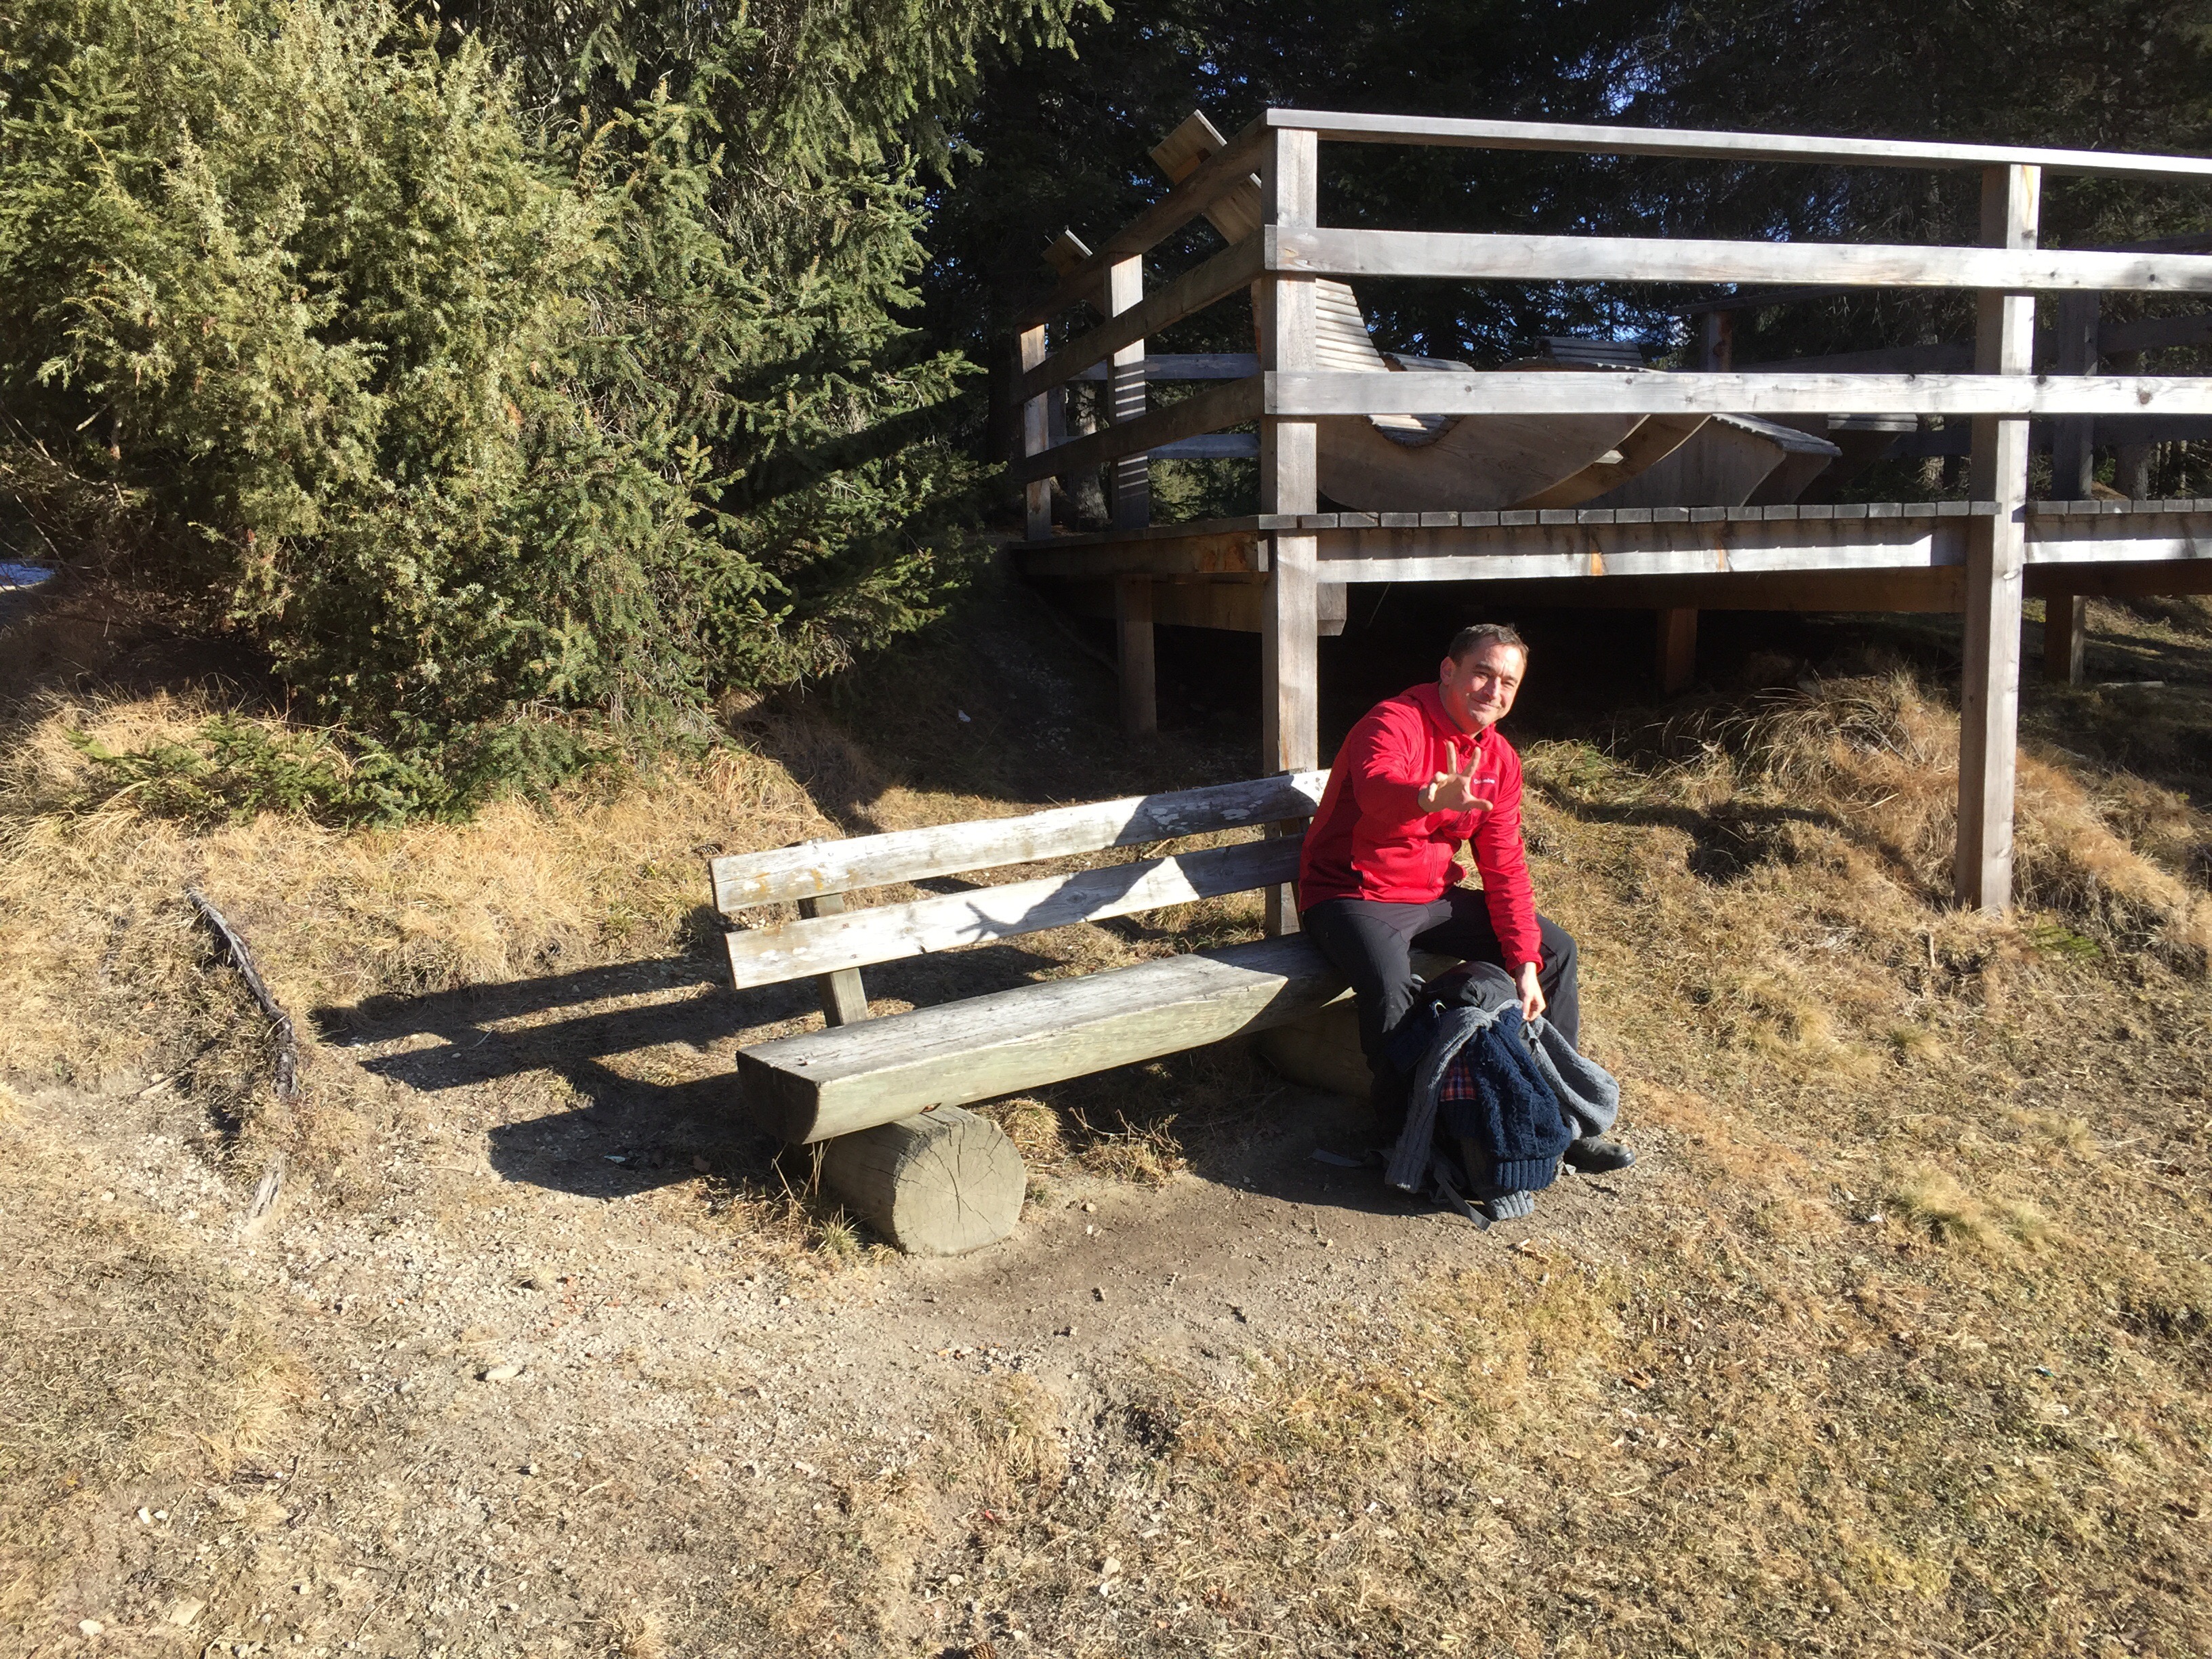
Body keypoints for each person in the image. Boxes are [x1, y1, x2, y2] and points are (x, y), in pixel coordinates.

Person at [1297, 623, 1631, 1172]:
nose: (1493, 690)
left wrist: (1523, 960)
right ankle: (1407, 1137)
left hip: (1432, 895)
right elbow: (1378, 791)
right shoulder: (1393, 721)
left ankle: (1558, 1119)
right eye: (1482, 673)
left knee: (1553, 951)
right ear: (1448, 671)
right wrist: (1425, 797)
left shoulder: (1500, 760)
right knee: (1391, 985)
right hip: (1351, 893)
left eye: (1508, 682)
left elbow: (1505, 866)